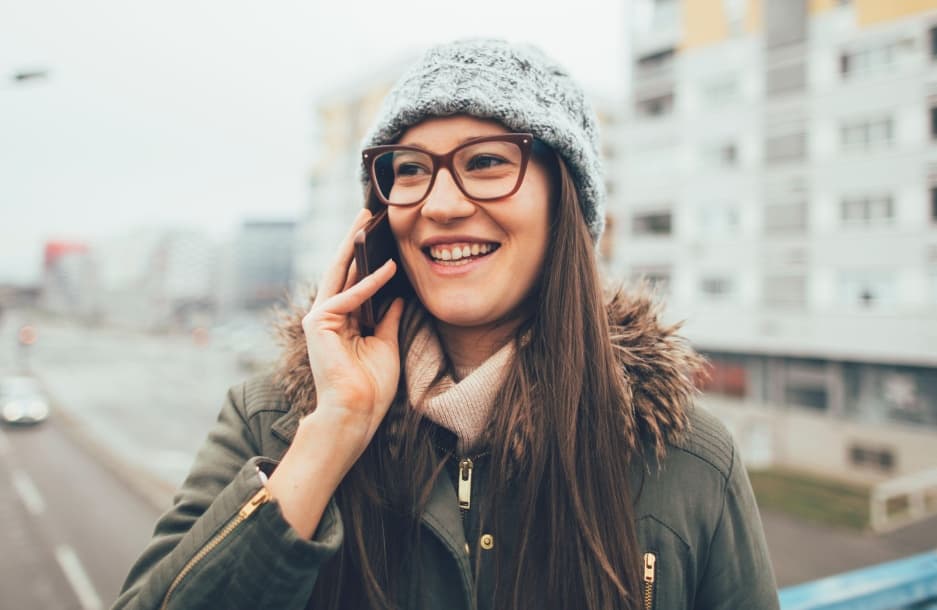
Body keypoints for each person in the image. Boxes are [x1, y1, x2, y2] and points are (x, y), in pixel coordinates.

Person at [113, 38, 779, 610]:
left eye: (486, 161)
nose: (440, 204)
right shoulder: (273, 420)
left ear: (564, 198)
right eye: (409, 170)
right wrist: (335, 426)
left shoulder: (684, 458)